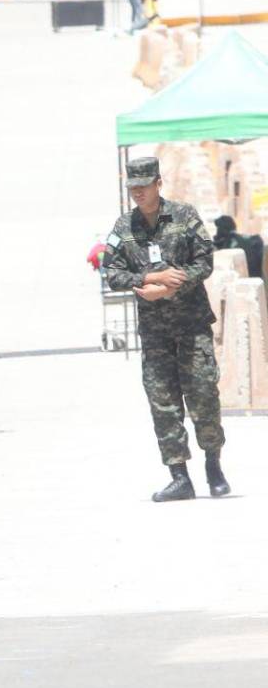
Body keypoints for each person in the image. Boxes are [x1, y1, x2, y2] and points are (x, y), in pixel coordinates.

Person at [101, 157, 230, 502]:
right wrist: (149, 278)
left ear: (159, 183)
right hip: (156, 334)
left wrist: (175, 286)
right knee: (164, 403)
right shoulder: (124, 227)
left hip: (191, 327)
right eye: (133, 187)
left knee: (203, 396)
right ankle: (179, 476)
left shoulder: (184, 216)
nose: (138, 193)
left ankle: (214, 467)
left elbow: (204, 260)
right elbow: (110, 272)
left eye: (144, 186)